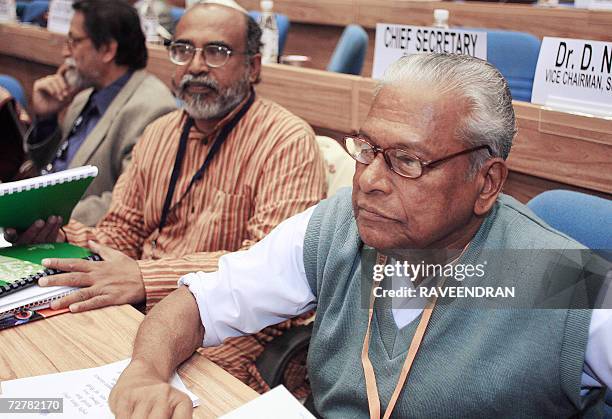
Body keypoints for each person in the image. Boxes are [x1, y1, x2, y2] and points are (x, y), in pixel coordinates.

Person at [108, 53, 612, 418]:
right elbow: (197, 302)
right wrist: (145, 371)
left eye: (408, 161)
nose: (370, 179)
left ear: (486, 183)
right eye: (367, 148)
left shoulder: (552, 277)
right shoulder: (340, 228)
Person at [5, 0, 325, 396]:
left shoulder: (286, 141)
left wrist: (143, 277)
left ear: (253, 67)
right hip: (133, 310)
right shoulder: (160, 133)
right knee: (37, 362)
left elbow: (266, 268)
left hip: (226, 330)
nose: (194, 66)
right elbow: (121, 231)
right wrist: (59, 238)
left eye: (216, 52)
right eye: (183, 50)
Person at [26, 0, 175, 226]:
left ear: (107, 49)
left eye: (74, 41)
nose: (65, 51)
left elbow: (130, 203)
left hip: (81, 240)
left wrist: (41, 217)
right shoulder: (83, 96)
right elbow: (53, 170)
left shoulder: (151, 109)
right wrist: (46, 119)